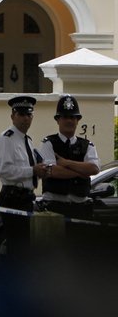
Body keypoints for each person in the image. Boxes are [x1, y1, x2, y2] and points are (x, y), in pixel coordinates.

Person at [0, 95, 47, 263]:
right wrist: (32, 170)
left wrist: (39, 171)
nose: (25, 119)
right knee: (17, 248)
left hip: (26, 198)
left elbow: (29, 170)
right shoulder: (6, 139)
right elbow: (3, 170)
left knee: (26, 248)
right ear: (12, 116)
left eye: (29, 114)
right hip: (13, 197)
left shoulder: (27, 141)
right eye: (21, 114)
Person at [39, 94, 100, 222]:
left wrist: (66, 163)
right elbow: (52, 171)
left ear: (78, 120)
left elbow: (94, 169)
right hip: (54, 207)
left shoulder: (87, 145)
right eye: (65, 117)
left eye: (72, 117)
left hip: (81, 208)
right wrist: (81, 172)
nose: (69, 121)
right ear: (58, 120)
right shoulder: (49, 143)